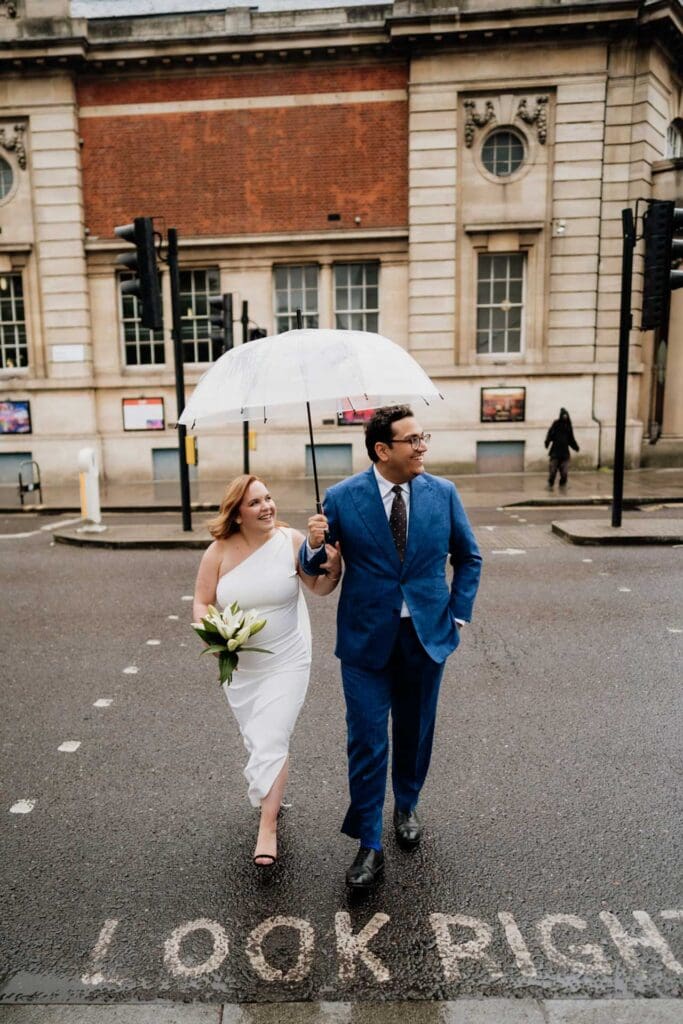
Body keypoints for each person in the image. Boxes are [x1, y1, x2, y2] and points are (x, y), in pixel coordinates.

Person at [300, 406, 482, 890]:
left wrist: (457, 614)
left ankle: (406, 801)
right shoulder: (341, 497)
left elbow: (468, 557)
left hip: (425, 635)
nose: (422, 446)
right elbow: (315, 564)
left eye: (424, 437)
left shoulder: (442, 493)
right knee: (365, 738)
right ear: (383, 450)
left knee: (415, 728)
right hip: (365, 639)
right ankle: (368, 843)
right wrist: (314, 543)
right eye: (413, 439)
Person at [193, 474, 341, 868]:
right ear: (237, 514)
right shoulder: (218, 552)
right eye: (256, 502)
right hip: (243, 665)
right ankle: (269, 790)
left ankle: (268, 825)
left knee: (273, 734)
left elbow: (319, 589)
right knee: (257, 736)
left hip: (287, 659)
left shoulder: (291, 541)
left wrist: (334, 570)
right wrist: (217, 636)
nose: (267, 507)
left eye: (269, 498)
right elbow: (203, 602)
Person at [544, 407, 579, 488]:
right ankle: (550, 483)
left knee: (564, 473)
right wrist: (547, 442)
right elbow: (550, 433)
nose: (565, 417)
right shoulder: (556, 424)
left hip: (565, 454)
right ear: (561, 415)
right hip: (555, 452)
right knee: (552, 471)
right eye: (563, 415)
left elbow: (571, 439)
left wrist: (575, 447)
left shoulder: (568, 426)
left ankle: (562, 484)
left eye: (566, 415)